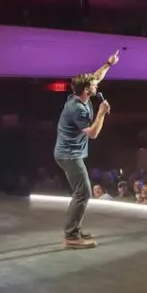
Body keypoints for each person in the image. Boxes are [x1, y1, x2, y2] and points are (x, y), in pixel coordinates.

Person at [54, 50, 119, 248]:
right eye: (93, 85)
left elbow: (96, 76)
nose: (96, 84)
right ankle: (72, 237)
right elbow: (92, 133)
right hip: (69, 155)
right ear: (87, 90)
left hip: (71, 153)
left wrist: (108, 63)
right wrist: (102, 113)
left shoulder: (79, 97)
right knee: (83, 193)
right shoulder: (78, 109)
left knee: (81, 192)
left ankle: (75, 229)